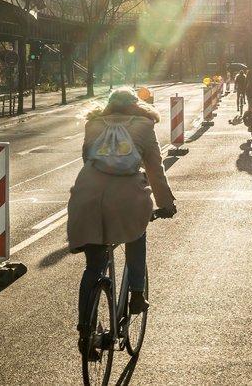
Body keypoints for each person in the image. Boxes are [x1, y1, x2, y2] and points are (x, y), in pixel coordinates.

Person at [67, 88, 176, 356]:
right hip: (127, 196)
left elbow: (87, 159)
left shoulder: (92, 124)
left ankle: (85, 331)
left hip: (87, 195)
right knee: (136, 233)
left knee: (93, 267)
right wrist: (166, 203)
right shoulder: (144, 126)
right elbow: (154, 168)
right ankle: (137, 294)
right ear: (134, 106)